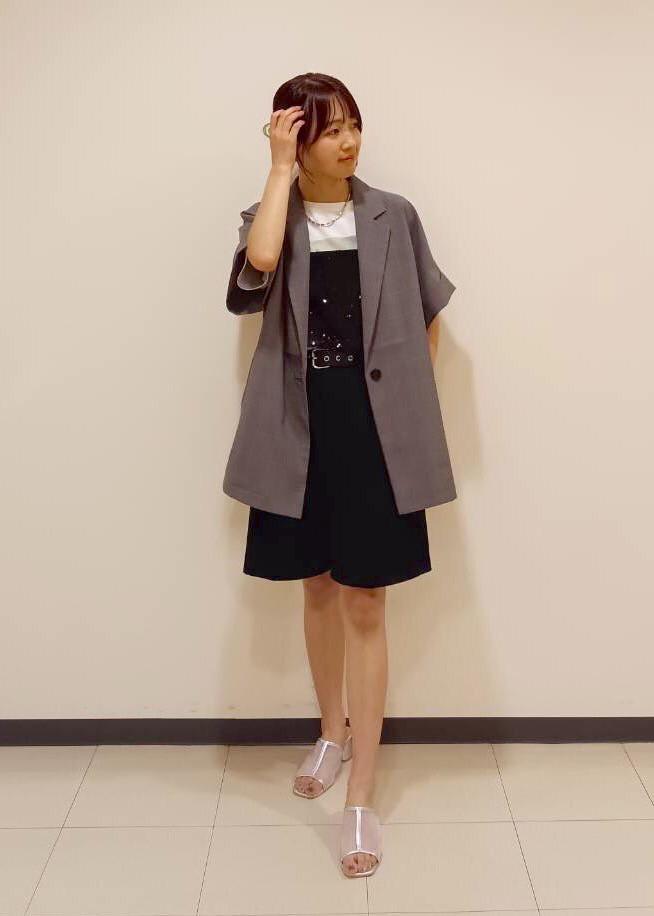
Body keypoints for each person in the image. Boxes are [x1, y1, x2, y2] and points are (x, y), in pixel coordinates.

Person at [226, 73, 457, 878]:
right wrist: (279, 170)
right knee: (318, 586)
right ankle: (332, 731)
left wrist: (406, 406)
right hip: (298, 427)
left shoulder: (394, 214)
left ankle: (361, 796)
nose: (349, 141)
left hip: (374, 429)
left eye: (353, 123)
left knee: (366, 599)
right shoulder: (272, 214)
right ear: (295, 137)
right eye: (329, 129)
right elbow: (257, 269)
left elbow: (428, 316)